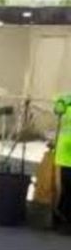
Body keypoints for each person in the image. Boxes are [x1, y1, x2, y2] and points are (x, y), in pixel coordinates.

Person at [55, 94, 71, 228]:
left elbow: (57, 109)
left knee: (66, 189)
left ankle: (60, 219)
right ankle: (63, 220)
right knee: (68, 189)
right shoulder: (66, 99)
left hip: (64, 152)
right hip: (67, 152)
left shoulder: (65, 99)